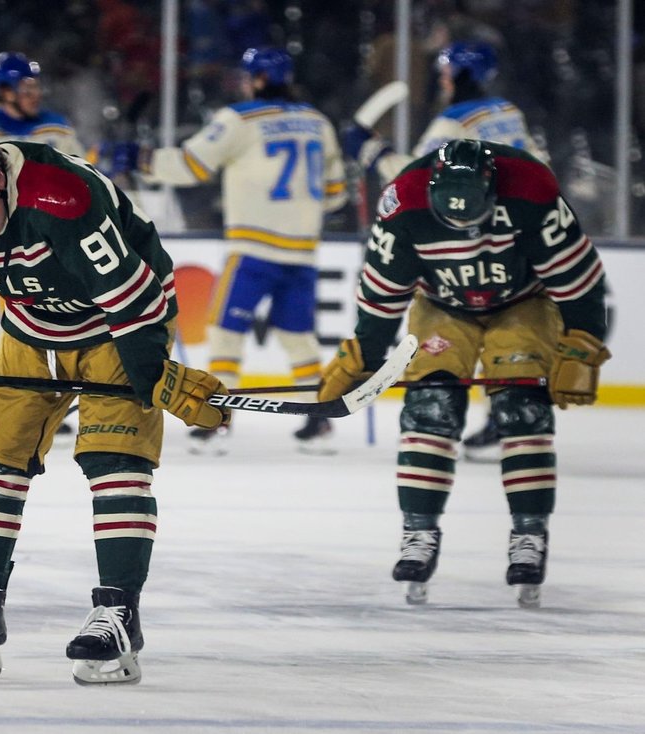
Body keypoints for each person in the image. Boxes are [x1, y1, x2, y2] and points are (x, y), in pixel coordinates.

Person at [0, 122, 228, 684]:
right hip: (30, 327)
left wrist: (150, 374)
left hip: (119, 326)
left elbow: (131, 294)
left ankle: (118, 614)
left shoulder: (59, 196)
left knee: (115, 462)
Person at [318, 139, 610, 608]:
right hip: (441, 307)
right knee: (430, 407)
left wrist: (583, 344)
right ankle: (418, 532)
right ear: (431, 193)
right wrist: (362, 357)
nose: (464, 233)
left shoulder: (532, 192)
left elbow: (579, 282)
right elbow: (381, 296)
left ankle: (529, 534)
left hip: (523, 304)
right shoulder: (403, 207)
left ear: (493, 192)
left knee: (522, 410)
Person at [128, 46, 348, 454]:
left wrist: (141, 159)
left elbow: (192, 165)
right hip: (302, 252)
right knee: (299, 339)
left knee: (226, 334)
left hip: (254, 249)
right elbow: (335, 195)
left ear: (259, 80)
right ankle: (318, 422)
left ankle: (218, 420)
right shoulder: (318, 122)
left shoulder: (239, 119)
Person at [343, 40, 550, 460]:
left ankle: (443, 421)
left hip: (469, 242)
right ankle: (507, 416)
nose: (441, 78)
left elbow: (416, 180)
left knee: (453, 328)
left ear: (460, 74)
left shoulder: (451, 122)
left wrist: (370, 149)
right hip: (517, 236)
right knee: (509, 328)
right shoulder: (507, 112)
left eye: (445, 71)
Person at [0, 51, 87, 438]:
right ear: (4, 90)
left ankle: (26, 395)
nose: (33, 93)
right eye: (24, 86)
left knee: (39, 320)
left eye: (35, 86)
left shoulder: (58, 127)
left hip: (45, 244)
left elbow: (81, 174)